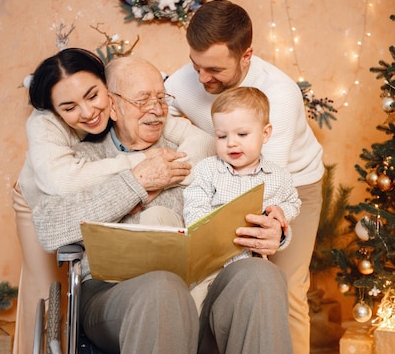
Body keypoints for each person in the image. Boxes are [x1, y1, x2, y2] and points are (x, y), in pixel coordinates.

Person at [31, 56, 294, 354]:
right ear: (112, 105)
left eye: (161, 98)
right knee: (163, 288)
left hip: (202, 289)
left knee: (261, 276)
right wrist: (135, 185)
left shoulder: (194, 151)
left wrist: (275, 230)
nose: (156, 110)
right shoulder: (80, 161)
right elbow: (48, 229)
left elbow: (249, 192)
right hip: (114, 296)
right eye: (143, 100)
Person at [12, 48, 212, 354]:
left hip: (157, 272)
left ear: (109, 91)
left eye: (93, 96)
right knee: (40, 291)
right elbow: (60, 187)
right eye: (69, 107)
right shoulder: (48, 128)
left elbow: (199, 139)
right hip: (38, 196)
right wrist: (138, 177)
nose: (88, 112)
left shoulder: (150, 117)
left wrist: (168, 173)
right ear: (56, 111)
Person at [165, 0, 324, 354]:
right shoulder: (184, 80)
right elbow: (155, 115)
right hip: (221, 176)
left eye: (215, 70)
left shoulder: (280, 95)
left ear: (246, 55)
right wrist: (202, 145)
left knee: (286, 287)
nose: (203, 78)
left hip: (289, 182)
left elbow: (265, 182)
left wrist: (276, 231)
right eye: (196, 66)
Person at [183, 86, 301, 264]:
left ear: (265, 133)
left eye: (242, 134)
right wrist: (216, 229)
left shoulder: (279, 176)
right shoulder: (207, 170)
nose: (231, 143)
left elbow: (293, 202)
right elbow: (194, 208)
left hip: (252, 261)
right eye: (222, 136)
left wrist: (281, 212)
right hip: (210, 259)